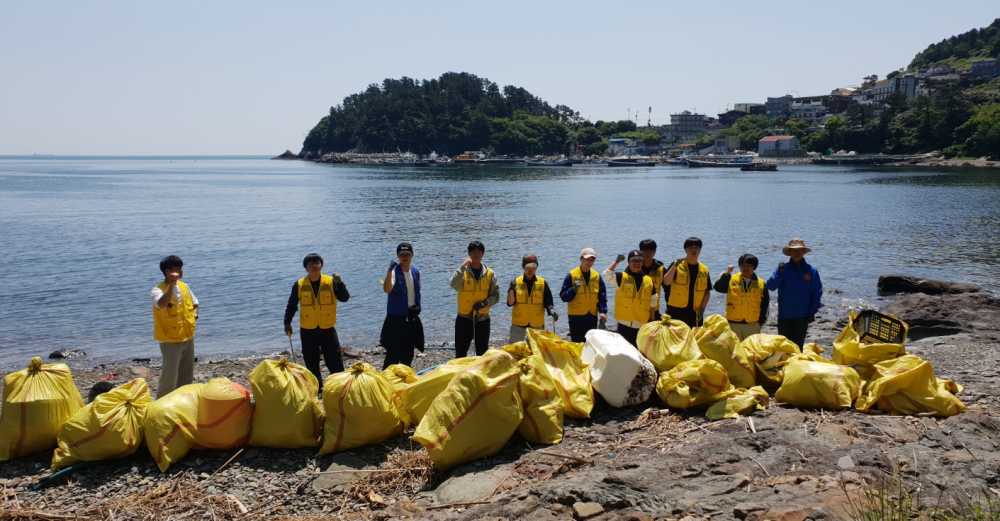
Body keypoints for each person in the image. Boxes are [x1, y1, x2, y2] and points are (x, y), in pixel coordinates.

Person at [284, 253, 350, 384]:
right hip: (308, 329)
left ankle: (339, 386)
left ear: (321, 265)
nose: (314, 266)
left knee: (334, 361)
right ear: (306, 268)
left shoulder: (331, 281)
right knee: (311, 362)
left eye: (316, 263)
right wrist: (287, 322)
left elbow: (345, 298)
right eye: (310, 264)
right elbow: (292, 305)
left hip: (328, 328)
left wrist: (340, 284)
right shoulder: (299, 284)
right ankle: (317, 388)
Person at [151, 255, 198, 398]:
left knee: (186, 375)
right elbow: (161, 304)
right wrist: (171, 285)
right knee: (169, 377)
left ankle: (183, 402)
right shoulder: (157, 290)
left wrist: (195, 316)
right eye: (177, 269)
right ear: (167, 271)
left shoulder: (185, 286)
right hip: (170, 340)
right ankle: (161, 404)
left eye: (181, 269)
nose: (180, 272)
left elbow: (195, 302)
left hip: (187, 337)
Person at [767, 239, 822, 348]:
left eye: (799, 250)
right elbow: (770, 286)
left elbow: (817, 293)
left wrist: (812, 312)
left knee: (798, 347)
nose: (797, 253)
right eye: (794, 250)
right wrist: (780, 274)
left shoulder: (811, 271)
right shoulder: (783, 269)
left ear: (803, 252)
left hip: (803, 316)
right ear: (790, 253)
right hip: (784, 315)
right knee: (784, 347)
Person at [450, 240, 499, 357]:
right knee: (460, 352)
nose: (476, 254)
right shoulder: (462, 272)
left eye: (479, 252)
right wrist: (462, 267)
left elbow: (496, 296)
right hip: (464, 319)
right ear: (469, 254)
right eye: (473, 252)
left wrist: (485, 303)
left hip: (482, 319)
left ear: (483, 254)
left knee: (482, 353)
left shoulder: (490, 274)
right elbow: (453, 284)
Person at [380, 242, 424, 368]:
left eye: (407, 254)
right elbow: (387, 289)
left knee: (408, 352)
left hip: (411, 317)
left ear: (412, 255)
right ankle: (387, 380)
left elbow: (417, 291)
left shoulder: (416, 271)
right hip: (396, 318)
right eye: (402, 254)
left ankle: (405, 379)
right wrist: (389, 272)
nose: (405, 257)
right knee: (393, 354)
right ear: (398, 256)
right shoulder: (394, 272)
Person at [604, 250, 656, 346]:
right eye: (634, 260)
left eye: (639, 260)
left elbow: (653, 302)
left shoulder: (649, 281)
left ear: (642, 262)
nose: (637, 263)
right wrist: (617, 261)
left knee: (639, 354)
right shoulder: (621, 277)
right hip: (624, 324)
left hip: (641, 325)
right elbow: (607, 275)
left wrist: (651, 323)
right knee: (624, 353)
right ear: (629, 262)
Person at [713, 254, 769, 340]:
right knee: (734, 351)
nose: (745, 268)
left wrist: (761, 321)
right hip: (733, 324)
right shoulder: (731, 279)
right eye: (742, 265)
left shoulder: (761, 283)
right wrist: (726, 274)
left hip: (752, 324)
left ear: (754, 267)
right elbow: (718, 288)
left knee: (751, 351)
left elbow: (765, 304)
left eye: (749, 266)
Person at [559, 248, 608, 342]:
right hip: (576, 317)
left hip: (592, 316)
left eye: (592, 260)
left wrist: (603, 311)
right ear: (581, 259)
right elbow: (563, 297)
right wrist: (574, 289)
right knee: (577, 343)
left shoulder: (596, 276)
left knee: (591, 343)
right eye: (587, 259)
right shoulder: (571, 275)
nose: (589, 262)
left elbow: (602, 296)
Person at [507, 254, 557, 342]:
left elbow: (548, 302)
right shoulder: (515, 282)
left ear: (536, 268)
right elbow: (510, 303)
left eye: (533, 267)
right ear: (523, 267)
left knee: (537, 349)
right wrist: (511, 289)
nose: (530, 270)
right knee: (515, 350)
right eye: (528, 267)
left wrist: (551, 311)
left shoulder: (542, 283)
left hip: (537, 323)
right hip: (518, 323)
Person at [663, 237, 711, 328]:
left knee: (693, 340)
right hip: (675, 312)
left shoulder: (704, 269)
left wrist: (702, 309)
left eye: (696, 247)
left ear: (700, 250)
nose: (694, 249)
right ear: (685, 250)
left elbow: (707, 292)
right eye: (690, 247)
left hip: (695, 313)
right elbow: (666, 282)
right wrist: (674, 265)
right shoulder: (677, 265)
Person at [639, 239, 667, 321]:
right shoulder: (635, 267)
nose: (648, 253)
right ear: (640, 251)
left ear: (655, 252)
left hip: (654, 310)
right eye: (645, 250)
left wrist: (669, 309)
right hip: (637, 310)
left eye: (651, 250)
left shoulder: (660, 268)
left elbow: (668, 290)